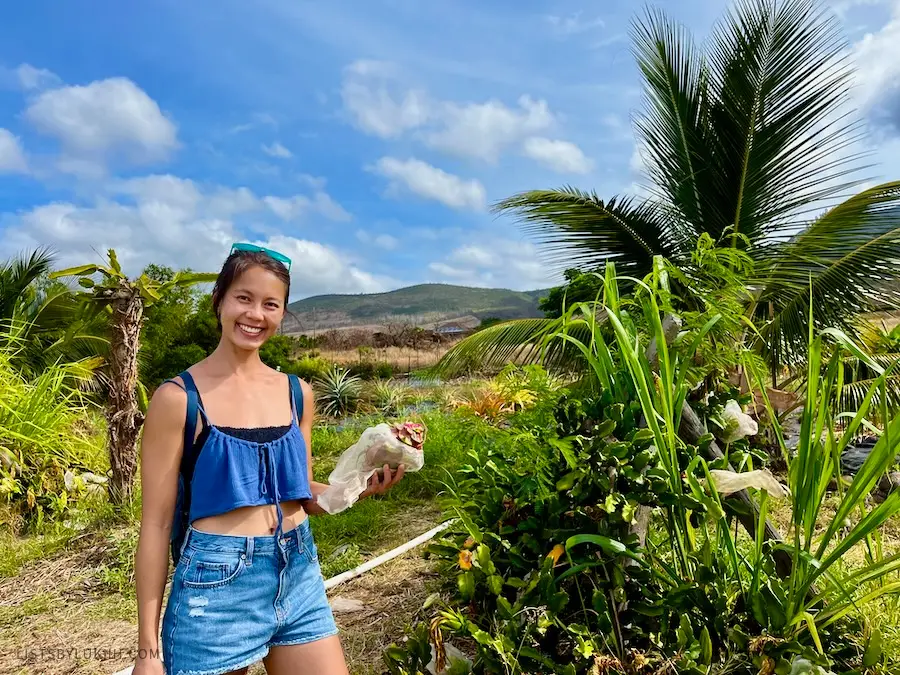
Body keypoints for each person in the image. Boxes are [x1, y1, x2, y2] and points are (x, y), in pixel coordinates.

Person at [133, 244, 405, 675]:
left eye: (270, 304)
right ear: (219, 300)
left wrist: (358, 482)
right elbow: (156, 524)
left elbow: (303, 494)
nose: (255, 314)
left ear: (282, 313)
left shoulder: (297, 393)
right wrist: (148, 650)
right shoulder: (178, 399)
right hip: (216, 585)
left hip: (298, 573)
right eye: (243, 298)